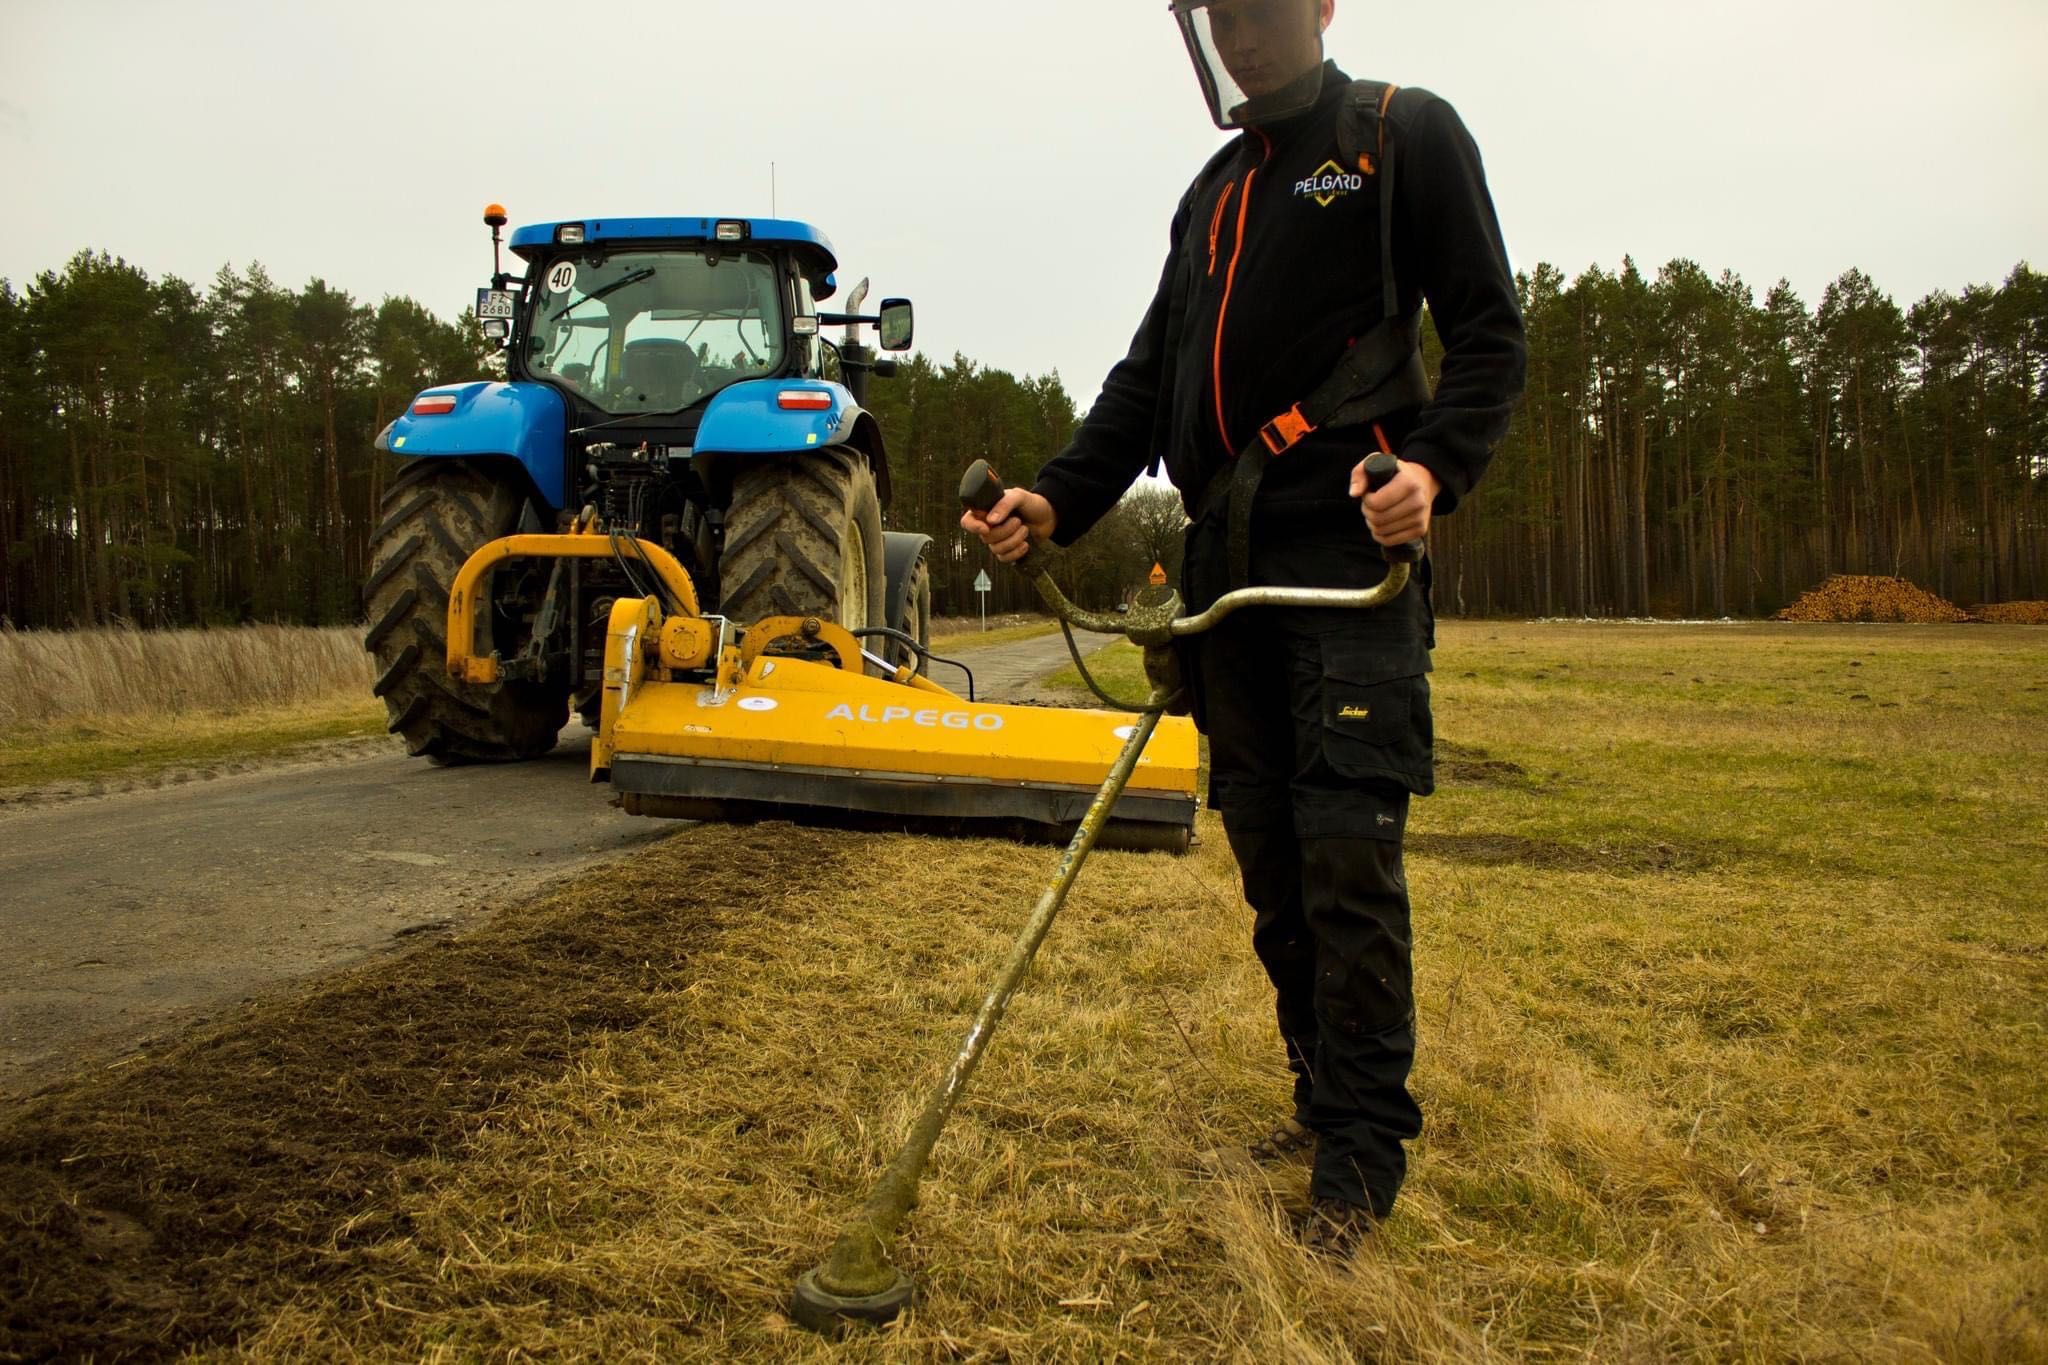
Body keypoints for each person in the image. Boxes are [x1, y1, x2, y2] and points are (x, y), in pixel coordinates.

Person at [961, 0, 1526, 1250]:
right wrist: (1049, 501)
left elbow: (1489, 334)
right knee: (1269, 860)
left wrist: (1432, 468)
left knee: (1344, 856)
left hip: (1343, 565)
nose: (1243, 39)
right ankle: (1321, 1092)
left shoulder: (1399, 137)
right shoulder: (1211, 191)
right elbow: (1141, 383)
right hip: (1225, 572)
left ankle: (1361, 1156)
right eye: (1220, 17)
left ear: (1321, 5)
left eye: (1264, 11)